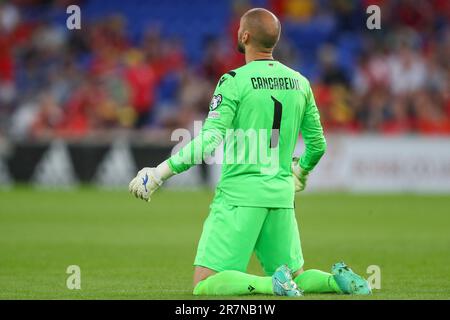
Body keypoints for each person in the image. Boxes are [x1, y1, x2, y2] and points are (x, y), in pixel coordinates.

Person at [129, 8, 371, 297]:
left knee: (204, 284)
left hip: (239, 197)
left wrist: (158, 173)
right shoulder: (300, 82)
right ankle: (336, 281)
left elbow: (208, 142)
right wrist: (300, 172)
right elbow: (318, 145)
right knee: (297, 275)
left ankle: (272, 286)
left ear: (245, 36)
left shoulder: (233, 81)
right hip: (281, 196)